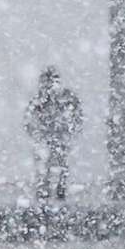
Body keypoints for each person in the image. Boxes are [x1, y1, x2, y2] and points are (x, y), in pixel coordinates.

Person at [26, 66, 83, 201]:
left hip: (56, 135)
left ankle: (53, 189)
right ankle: (51, 189)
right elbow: (29, 121)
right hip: (51, 136)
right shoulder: (41, 100)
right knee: (50, 163)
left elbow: (29, 120)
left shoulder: (51, 99)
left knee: (54, 162)